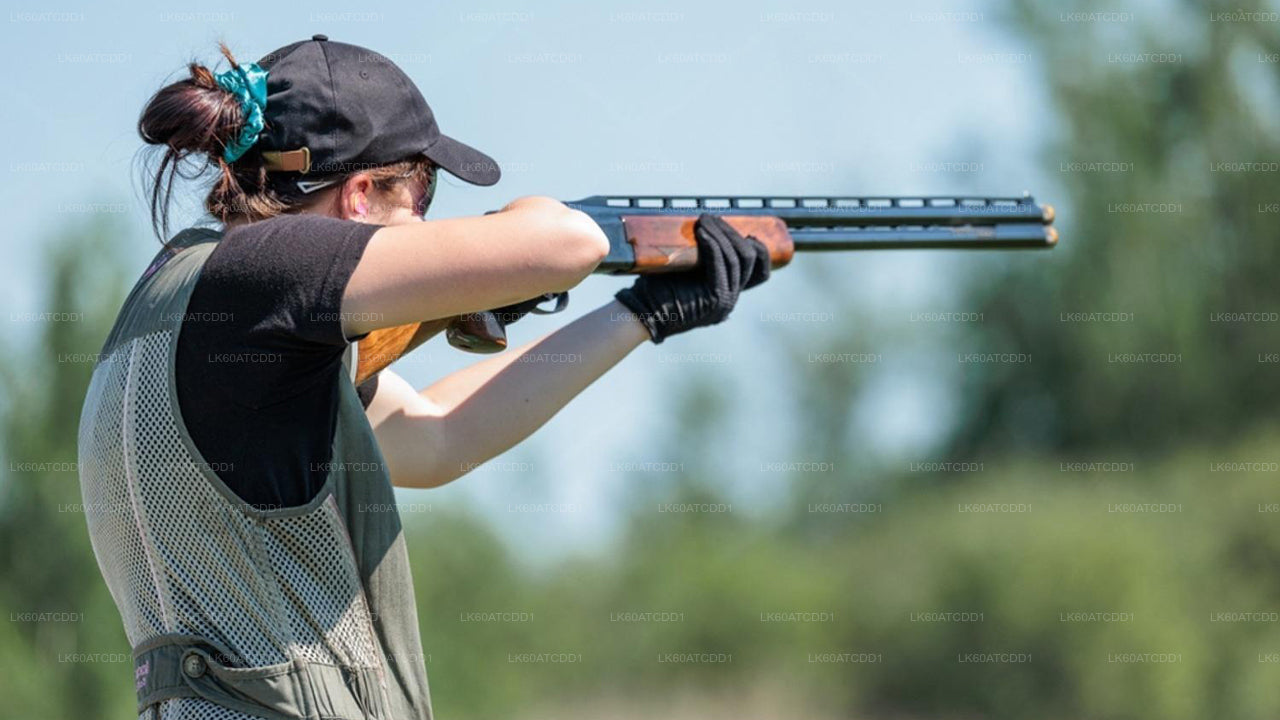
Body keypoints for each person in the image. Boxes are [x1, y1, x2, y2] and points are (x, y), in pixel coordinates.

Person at [77, 36, 769, 720]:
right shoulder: (268, 270)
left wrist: (639, 315)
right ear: (356, 197)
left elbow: (437, 438)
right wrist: (509, 238)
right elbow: (572, 243)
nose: (429, 217)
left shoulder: (178, 302)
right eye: (422, 189)